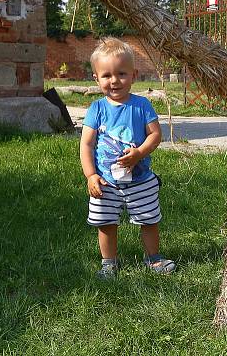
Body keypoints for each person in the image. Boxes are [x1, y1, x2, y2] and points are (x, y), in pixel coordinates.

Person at [79, 37, 176, 279]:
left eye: (121, 74)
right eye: (106, 75)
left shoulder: (141, 105)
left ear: (133, 75)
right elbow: (87, 144)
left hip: (140, 179)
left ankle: (153, 258)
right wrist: (91, 175)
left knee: (149, 220)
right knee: (106, 224)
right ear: (96, 78)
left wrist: (140, 153)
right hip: (105, 182)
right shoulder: (97, 109)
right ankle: (109, 263)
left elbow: (155, 135)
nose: (114, 81)